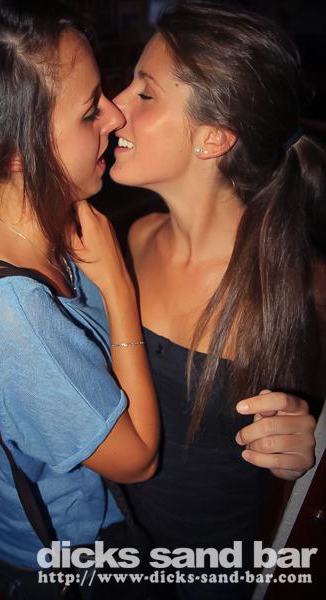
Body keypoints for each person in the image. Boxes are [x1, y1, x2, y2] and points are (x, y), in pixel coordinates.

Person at [0, 1, 160, 598]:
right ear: (13, 150)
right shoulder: (18, 315)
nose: (115, 115)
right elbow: (137, 460)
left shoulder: (25, 222)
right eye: (89, 110)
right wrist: (118, 288)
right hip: (55, 550)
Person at [110, 2, 325, 598]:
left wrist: (302, 446)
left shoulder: (293, 290)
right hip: (111, 534)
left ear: (212, 139)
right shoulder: (133, 238)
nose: (114, 107)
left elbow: (298, 439)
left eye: (145, 93)